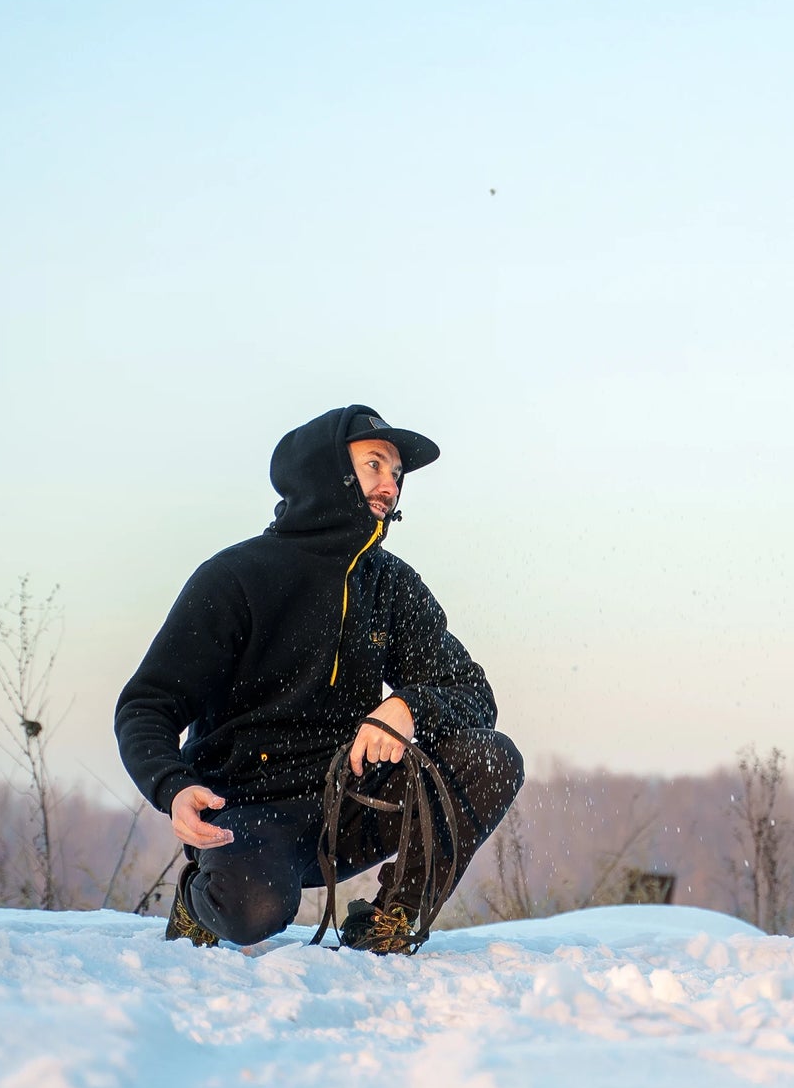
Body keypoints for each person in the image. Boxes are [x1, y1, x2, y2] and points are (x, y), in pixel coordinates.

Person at [114, 404, 522, 953]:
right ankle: (198, 900)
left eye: (397, 474)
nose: (391, 485)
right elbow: (147, 705)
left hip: (349, 796)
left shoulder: (390, 584)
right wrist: (174, 787)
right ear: (326, 470)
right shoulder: (236, 576)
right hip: (246, 807)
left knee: (491, 756)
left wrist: (406, 708)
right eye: (375, 465)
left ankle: (391, 920)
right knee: (254, 912)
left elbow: (471, 693)